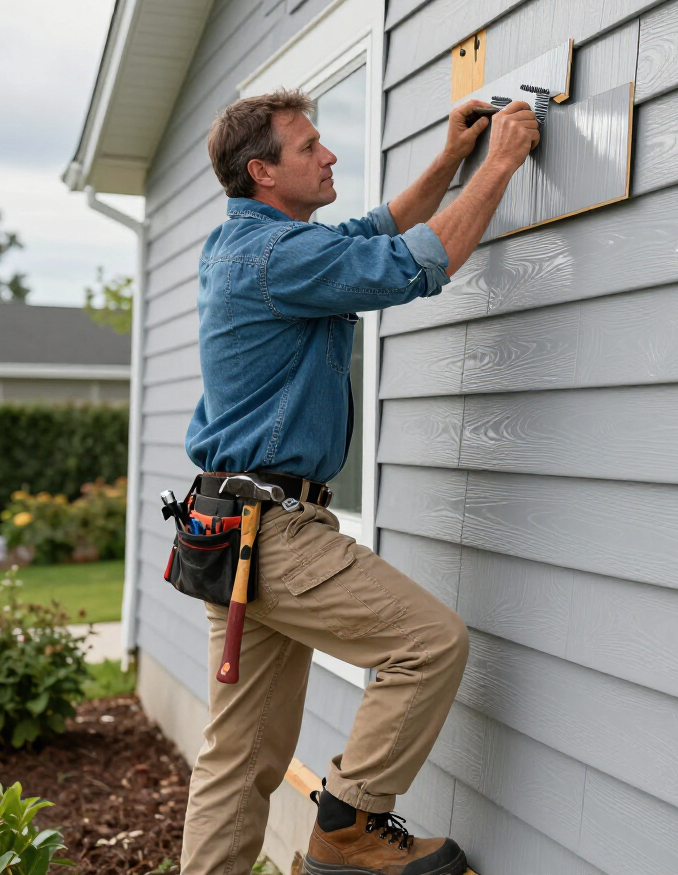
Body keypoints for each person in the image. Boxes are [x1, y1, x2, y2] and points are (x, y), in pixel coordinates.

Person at [179, 86, 540, 875]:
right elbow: (417, 262)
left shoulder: (249, 244)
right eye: (309, 146)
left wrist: (451, 159)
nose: (329, 153)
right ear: (262, 172)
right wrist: (502, 163)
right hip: (272, 532)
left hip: (231, 531)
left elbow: (378, 230)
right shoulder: (278, 255)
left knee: (236, 762)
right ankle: (348, 823)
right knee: (429, 644)